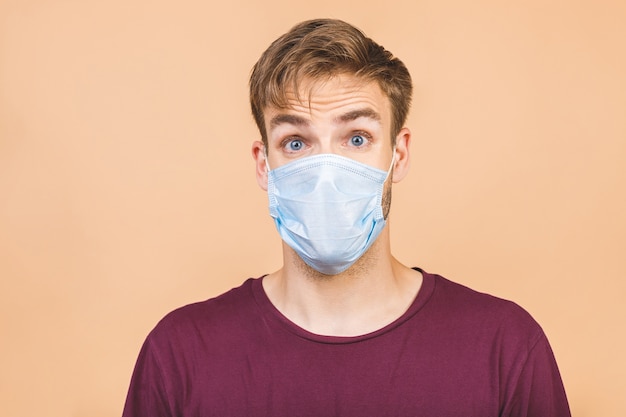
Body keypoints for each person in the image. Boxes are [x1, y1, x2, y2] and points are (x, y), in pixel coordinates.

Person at [122, 18, 571, 416]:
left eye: (357, 138)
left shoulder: (504, 347)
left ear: (398, 154)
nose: (326, 173)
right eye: (296, 142)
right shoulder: (180, 354)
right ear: (264, 164)